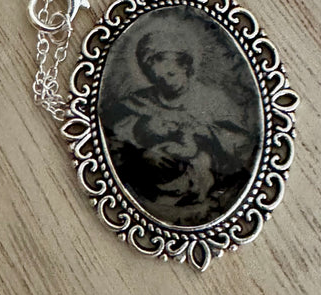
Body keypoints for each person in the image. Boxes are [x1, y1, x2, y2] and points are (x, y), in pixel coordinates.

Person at [99, 15, 258, 227]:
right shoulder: (135, 103)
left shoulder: (214, 99)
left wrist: (206, 134)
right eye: (157, 73)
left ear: (186, 65)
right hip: (154, 193)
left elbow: (242, 146)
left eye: (172, 70)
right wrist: (143, 150)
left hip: (212, 187)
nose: (167, 77)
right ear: (148, 73)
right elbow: (117, 146)